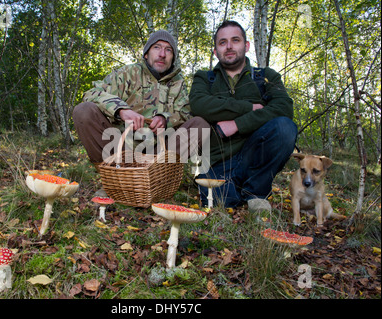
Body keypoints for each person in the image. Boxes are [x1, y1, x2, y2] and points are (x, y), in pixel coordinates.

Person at [189, 20, 297, 211]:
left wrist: (237, 124)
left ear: (246, 46)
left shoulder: (266, 77)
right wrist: (249, 107)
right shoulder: (204, 78)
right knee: (221, 203)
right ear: (215, 51)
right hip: (218, 162)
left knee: (284, 127)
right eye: (222, 42)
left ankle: (257, 195)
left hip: (253, 154)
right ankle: (238, 192)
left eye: (235, 40)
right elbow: (199, 106)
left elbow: (284, 108)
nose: (229, 46)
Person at [73, 30, 209, 171]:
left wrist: (165, 119)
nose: (162, 54)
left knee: (200, 125)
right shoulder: (127, 73)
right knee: (83, 111)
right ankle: (114, 175)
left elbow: (185, 113)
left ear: (172, 58)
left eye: (168, 50)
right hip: (120, 149)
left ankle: (157, 179)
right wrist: (121, 110)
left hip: (159, 155)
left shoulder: (178, 83)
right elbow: (92, 93)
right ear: (146, 54)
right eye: (157, 47)